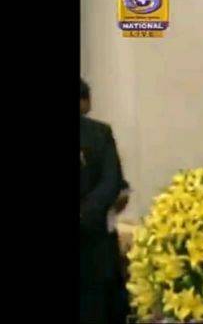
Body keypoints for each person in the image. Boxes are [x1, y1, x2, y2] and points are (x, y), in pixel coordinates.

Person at [80, 78, 129, 323]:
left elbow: (113, 183)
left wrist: (84, 215)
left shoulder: (98, 134)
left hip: (95, 243)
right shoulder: (100, 132)